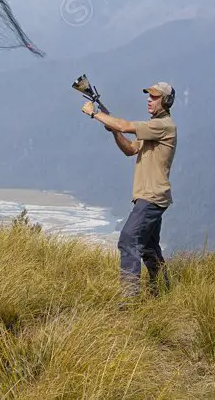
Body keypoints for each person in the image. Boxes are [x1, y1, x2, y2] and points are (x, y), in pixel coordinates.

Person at [81, 82, 177, 300]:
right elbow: (130, 149)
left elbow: (124, 125)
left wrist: (95, 113)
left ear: (166, 101)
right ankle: (163, 292)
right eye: (149, 96)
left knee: (128, 239)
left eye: (154, 97)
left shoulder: (163, 126)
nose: (149, 100)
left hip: (151, 197)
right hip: (150, 196)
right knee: (148, 247)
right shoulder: (153, 127)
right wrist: (114, 131)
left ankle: (129, 300)